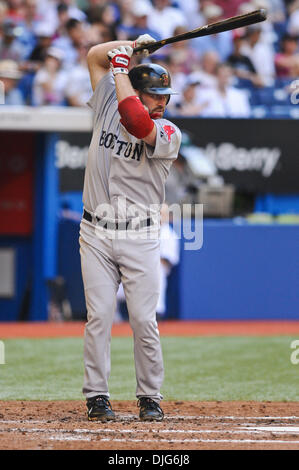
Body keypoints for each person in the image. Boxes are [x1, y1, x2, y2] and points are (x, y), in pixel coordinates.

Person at [79, 34, 181, 422]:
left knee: (142, 318)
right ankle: (97, 396)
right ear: (136, 90)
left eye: (166, 95)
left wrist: (123, 67)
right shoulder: (108, 98)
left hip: (139, 234)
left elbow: (136, 121)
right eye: (155, 94)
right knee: (100, 316)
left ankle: (149, 396)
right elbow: (94, 55)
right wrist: (132, 45)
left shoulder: (169, 132)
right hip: (96, 233)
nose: (163, 102)